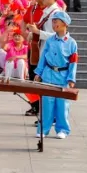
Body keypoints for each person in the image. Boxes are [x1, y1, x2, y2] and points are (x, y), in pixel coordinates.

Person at [33, 10, 78, 140]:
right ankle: (43, 129)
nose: (54, 24)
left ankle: (62, 129)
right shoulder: (50, 41)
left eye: (56, 21)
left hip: (62, 77)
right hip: (48, 74)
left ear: (65, 24)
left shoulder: (72, 43)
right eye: (52, 22)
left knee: (62, 105)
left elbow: (73, 62)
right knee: (46, 104)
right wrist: (39, 72)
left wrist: (71, 78)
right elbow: (43, 57)